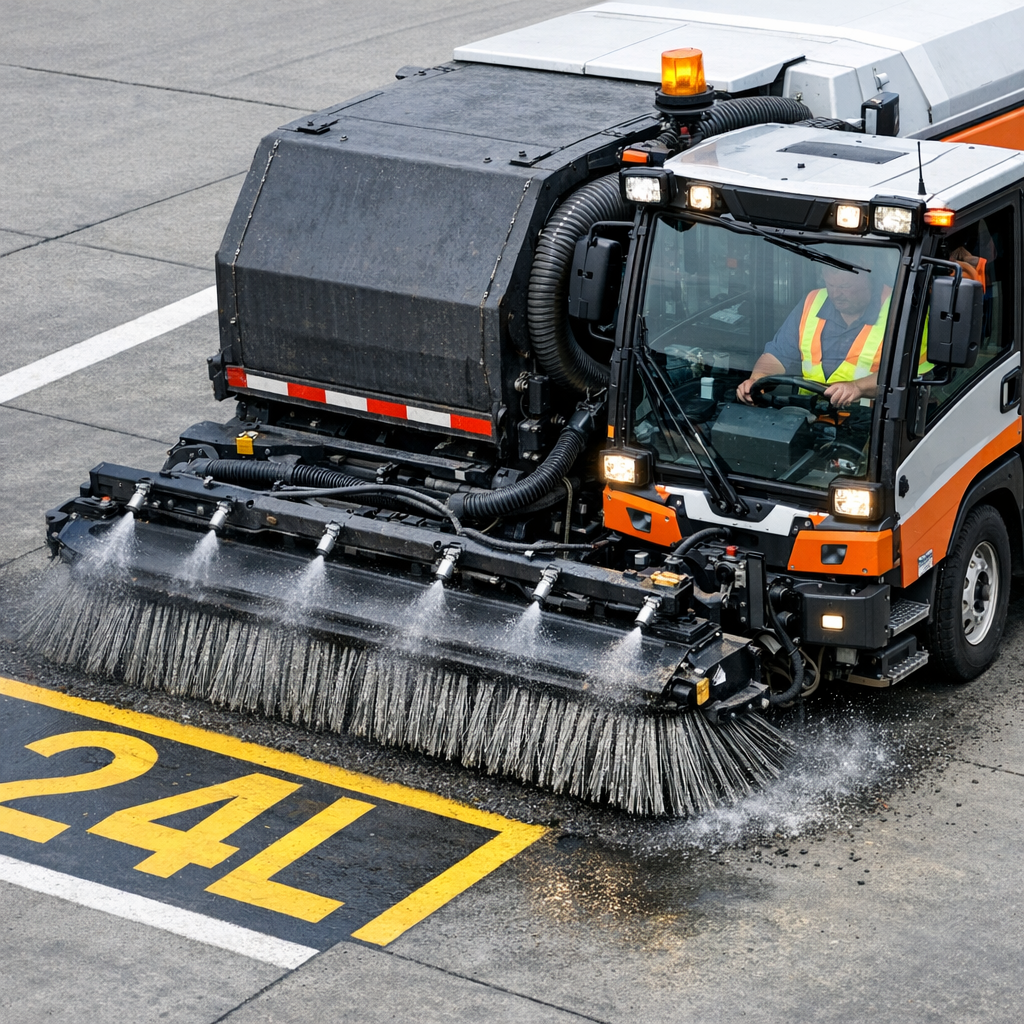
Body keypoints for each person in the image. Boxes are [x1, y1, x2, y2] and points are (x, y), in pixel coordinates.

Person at [736, 263, 891, 407]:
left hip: (870, 421)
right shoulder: (812, 302)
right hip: (807, 415)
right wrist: (756, 380)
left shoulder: (896, 308)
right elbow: (777, 356)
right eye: (830, 285)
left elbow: (900, 375)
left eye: (845, 286)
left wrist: (857, 387)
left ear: (866, 280)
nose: (836, 294)